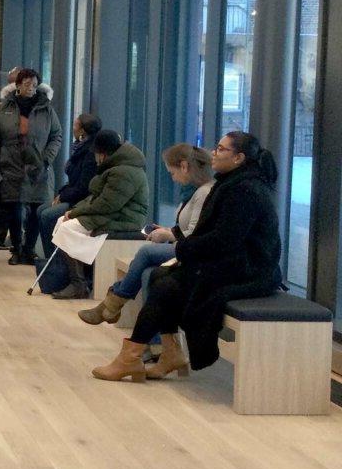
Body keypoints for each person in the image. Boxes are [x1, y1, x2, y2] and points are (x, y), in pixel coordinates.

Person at [92, 131, 282, 382]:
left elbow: (225, 240)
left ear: (238, 158)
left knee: (167, 285)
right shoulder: (232, 183)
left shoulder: (245, 190)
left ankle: (131, 357)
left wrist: (183, 250)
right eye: (217, 147)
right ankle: (165, 353)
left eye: (222, 149)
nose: (214, 152)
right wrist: (186, 249)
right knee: (160, 276)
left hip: (249, 270)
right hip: (232, 263)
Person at [80, 143, 213, 324]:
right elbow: (187, 228)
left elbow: (194, 234)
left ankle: (112, 304)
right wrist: (168, 231)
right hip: (183, 245)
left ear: (184, 166)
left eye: (172, 173)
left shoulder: (203, 193)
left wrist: (169, 235)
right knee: (148, 273)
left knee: (146, 252)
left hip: (191, 251)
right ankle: (147, 337)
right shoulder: (192, 193)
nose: (173, 179)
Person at [55, 129, 149, 299]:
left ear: (103, 153)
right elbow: (100, 200)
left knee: (67, 229)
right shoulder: (117, 166)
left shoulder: (123, 171)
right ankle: (80, 280)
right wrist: (75, 212)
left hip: (125, 217)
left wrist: (76, 212)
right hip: (115, 214)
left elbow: (107, 204)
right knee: (63, 222)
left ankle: (79, 284)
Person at [0, 68, 62, 266]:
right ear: (18, 85)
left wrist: (46, 159)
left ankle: (29, 249)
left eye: (34, 84)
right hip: (11, 166)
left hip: (39, 167)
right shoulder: (5, 108)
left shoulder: (46, 108)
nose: (31, 88)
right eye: (27, 84)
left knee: (37, 209)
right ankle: (17, 249)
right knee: (15, 209)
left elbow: (56, 136)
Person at [39, 113, 103, 259]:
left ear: (82, 131)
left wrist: (63, 196)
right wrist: (61, 194)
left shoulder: (90, 154)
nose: (72, 127)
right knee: (41, 209)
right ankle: (48, 256)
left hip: (82, 200)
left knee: (47, 215)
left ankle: (55, 259)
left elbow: (84, 188)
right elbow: (74, 181)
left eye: (75, 125)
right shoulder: (80, 148)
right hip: (74, 194)